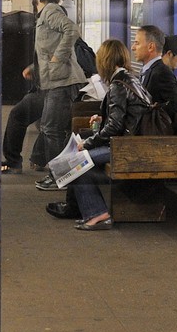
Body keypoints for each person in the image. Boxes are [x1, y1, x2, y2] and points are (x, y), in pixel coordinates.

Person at [45, 39, 137, 230]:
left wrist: (87, 144)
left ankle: (96, 213)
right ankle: (93, 211)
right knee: (79, 163)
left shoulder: (118, 84)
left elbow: (115, 126)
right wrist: (102, 121)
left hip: (125, 147)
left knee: (76, 161)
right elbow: (123, 118)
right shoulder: (129, 78)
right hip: (130, 143)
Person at [32, 0, 86, 192]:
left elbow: (72, 30)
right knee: (51, 128)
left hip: (62, 81)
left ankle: (61, 177)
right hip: (57, 80)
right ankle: (61, 175)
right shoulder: (47, 12)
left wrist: (58, 58)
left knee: (52, 129)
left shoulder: (51, 11)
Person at [132, 24, 177, 128]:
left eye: (137, 43)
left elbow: (176, 111)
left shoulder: (161, 73)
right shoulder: (150, 70)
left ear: (151, 47)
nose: (133, 47)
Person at [1, 61, 46, 173]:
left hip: (54, 88)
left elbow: (52, 56)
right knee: (45, 122)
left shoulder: (58, 43)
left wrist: (33, 68)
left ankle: (13, 162)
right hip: (61, 88)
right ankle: (38, 159)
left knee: (17, 115)